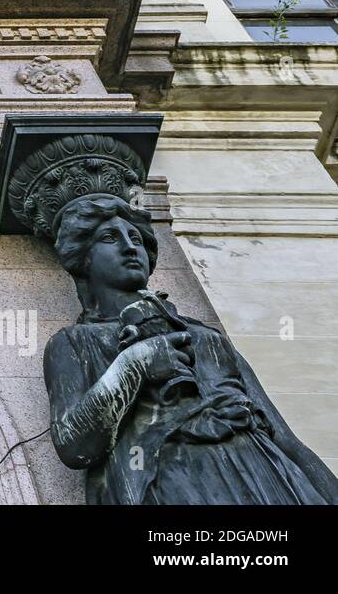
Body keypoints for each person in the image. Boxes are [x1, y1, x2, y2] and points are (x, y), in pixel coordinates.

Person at [43, 193, 338, 504]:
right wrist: (136, 364)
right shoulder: (74, 342)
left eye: (136, 239)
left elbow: (286, 439)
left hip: (264, 474)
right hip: (167, 479)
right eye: (109, 237)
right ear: (83, 258)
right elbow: (73, 444)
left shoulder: (206, 338)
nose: (130, 247)